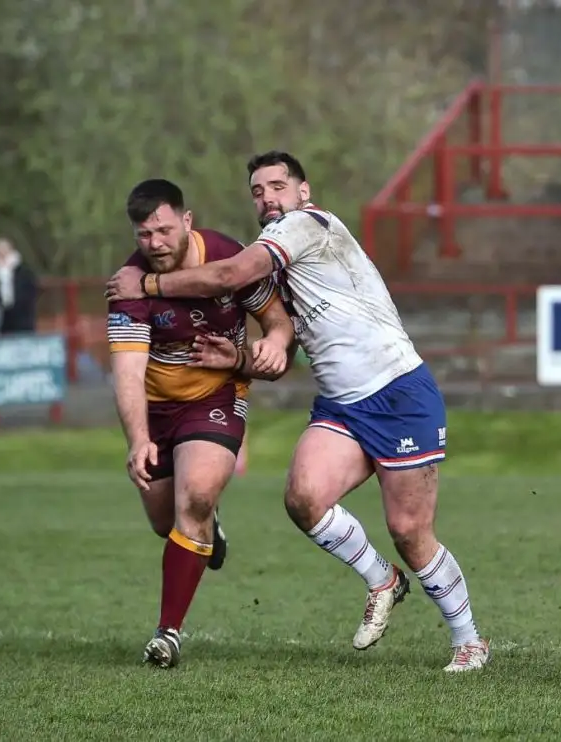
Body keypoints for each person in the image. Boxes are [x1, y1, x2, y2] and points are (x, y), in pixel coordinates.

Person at [105, 152, 490, 672]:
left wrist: (146, 285)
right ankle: (383, 579)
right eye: (258, 191)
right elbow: (275, 358)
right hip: (342, 404)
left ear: (303, 192)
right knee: (303, 499)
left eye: (278, 186)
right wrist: (239, 357)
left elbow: (228, 275)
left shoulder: (307, 225)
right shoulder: (274, 260)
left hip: (398, 391)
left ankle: (469, 641)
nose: (268, 197)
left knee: (409, 530)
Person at [107, 179, 294, 668]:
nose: (156, 244)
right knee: (165, 522)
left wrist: (271, 344)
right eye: (144, 235)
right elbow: (126, 372)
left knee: (196, 497)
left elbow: (278, 320)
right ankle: (208, 527)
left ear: (186, 221)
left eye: (164, 230)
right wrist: (138, 439)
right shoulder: (128, 285)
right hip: (157, 409)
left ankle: (167, 633)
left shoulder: (229, 256)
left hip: (216, 395)